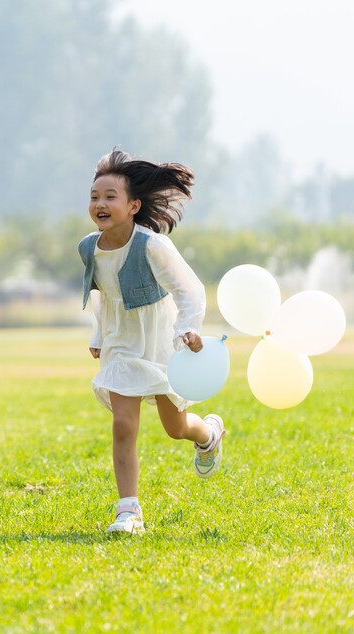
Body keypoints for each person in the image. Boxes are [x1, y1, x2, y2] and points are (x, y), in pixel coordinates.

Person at [78, 149, 226, 534]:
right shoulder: (88, 248)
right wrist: (98, 334)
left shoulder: (152, 246)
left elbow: (190, 290)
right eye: (95, 196)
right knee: (123, 425)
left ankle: (208, 434)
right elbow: (103, 293)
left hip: (161, 340)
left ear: (134, 205)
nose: (100, 204)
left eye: (111, 196)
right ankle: (129, 512)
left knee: (174, 427)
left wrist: (187, 330)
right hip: (121, 343)